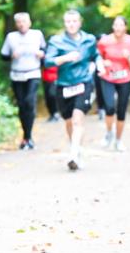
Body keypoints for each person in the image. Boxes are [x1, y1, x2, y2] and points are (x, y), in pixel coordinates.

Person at [43, 9, 105, 171]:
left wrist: (100, 64)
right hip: (63, 85)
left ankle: (73, 154)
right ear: (65, 23)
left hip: (83, 82)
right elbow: (48, 62)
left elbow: (95, 55)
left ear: (80, 22)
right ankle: (75, 150)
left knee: (78, 119)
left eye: (74, 21)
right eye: (68, 22)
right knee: (69, 121)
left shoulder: (89, 40)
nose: (71, 24)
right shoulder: (56, 41)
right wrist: (65, 58)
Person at [0, 12, 46, 149]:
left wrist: (42, 54)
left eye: (24, 21)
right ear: (16, 24)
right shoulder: (11, 37)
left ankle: (29, 136)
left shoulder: (37, 34)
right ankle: (25, 137)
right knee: (21, 105)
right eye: (19, 22)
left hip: (33, 73)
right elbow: (3, 56)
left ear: (29, 22)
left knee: (29, 102)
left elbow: (45, 50)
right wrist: (12, 56)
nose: (21, 24)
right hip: (17, 75)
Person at [97, 16, 130, 151]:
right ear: (113, 27)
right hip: (108, 77)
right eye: (116, 25)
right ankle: (109, 133)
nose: (118, 28)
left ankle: (118, 140)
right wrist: (103, 63)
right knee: (109, 108)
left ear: (125, 27)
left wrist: (129, 57)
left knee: (121, 111)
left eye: (121, 25)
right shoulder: (105, 41)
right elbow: (97, 58)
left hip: (125, 78)